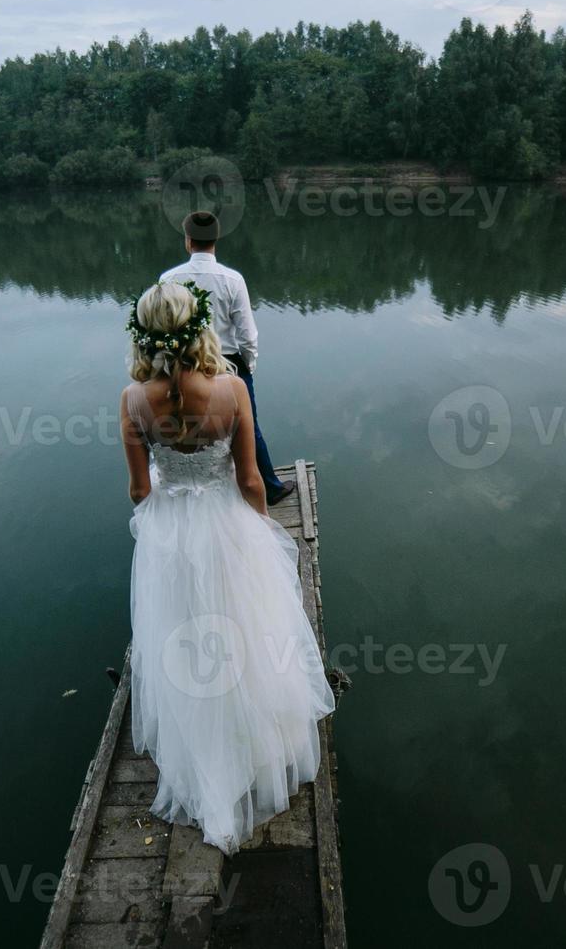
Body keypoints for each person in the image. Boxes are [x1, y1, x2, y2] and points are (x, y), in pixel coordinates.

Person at [119, 281, 334, 855]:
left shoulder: (133, 400)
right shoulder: (233, 390)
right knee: (247, 630)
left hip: (172, 530)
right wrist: (260, 532)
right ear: (201, 328)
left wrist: (168, 490)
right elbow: (250, 480)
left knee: (183, 637)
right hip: (225, 521)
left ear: (144, 337)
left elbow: (140, 492)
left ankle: (201, 754)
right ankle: (255, 743)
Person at [160, 211, 295, 506]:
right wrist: (248, 366)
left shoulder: (168, 279)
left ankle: (194, 491)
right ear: (215, 240)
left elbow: (163, 325)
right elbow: (247, 333)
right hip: (228, 364)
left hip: (183, 365)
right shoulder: (232, 279)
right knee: (248, 425)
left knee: (187, 423)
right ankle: (269, 488)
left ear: (188, 240)